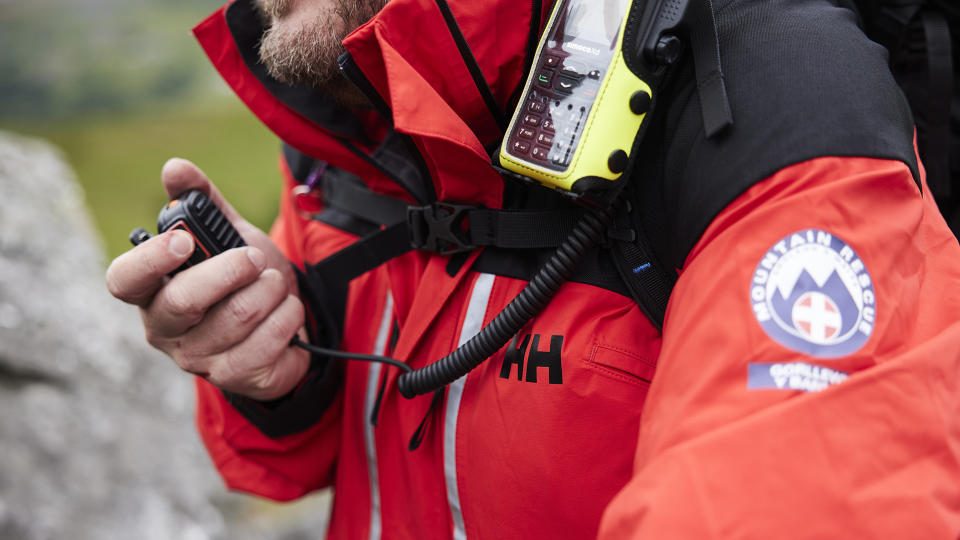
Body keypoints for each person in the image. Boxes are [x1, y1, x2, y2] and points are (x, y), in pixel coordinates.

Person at [106, 0, 960, 537]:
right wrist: (275, 373)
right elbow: (295, 464)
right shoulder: (356, 119)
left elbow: (803, 500)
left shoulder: (772, 96)